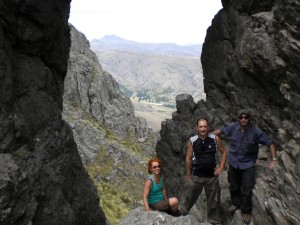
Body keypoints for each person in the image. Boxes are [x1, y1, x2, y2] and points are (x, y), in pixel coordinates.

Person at [212, 109, 278, 225]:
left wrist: (274, 159)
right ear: (238, 118)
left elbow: (270, 142)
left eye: (246, 117)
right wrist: (208, 136)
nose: (243, 119)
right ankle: (236, 203)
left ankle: (246, 211)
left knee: (247, 189)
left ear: (249, 119)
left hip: (247, 164)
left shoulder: (255, 131)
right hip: (233, 162)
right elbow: (220, 131)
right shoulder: (233, 127)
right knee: (233, 185)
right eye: (241, 117)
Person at [180, 117, 227, 225]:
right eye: (201, 126)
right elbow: (188, 158)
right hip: (196, 177)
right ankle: (181, 217)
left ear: (208, 127)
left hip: (211, 178)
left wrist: (221, 167)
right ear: (197, 128)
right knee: (188, 198)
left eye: (205, 126)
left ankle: (214, 221)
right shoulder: (192, 141)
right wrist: (188, 174)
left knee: (214, 202)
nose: (203, 129)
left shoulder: (215, 139)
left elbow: (224, 152)